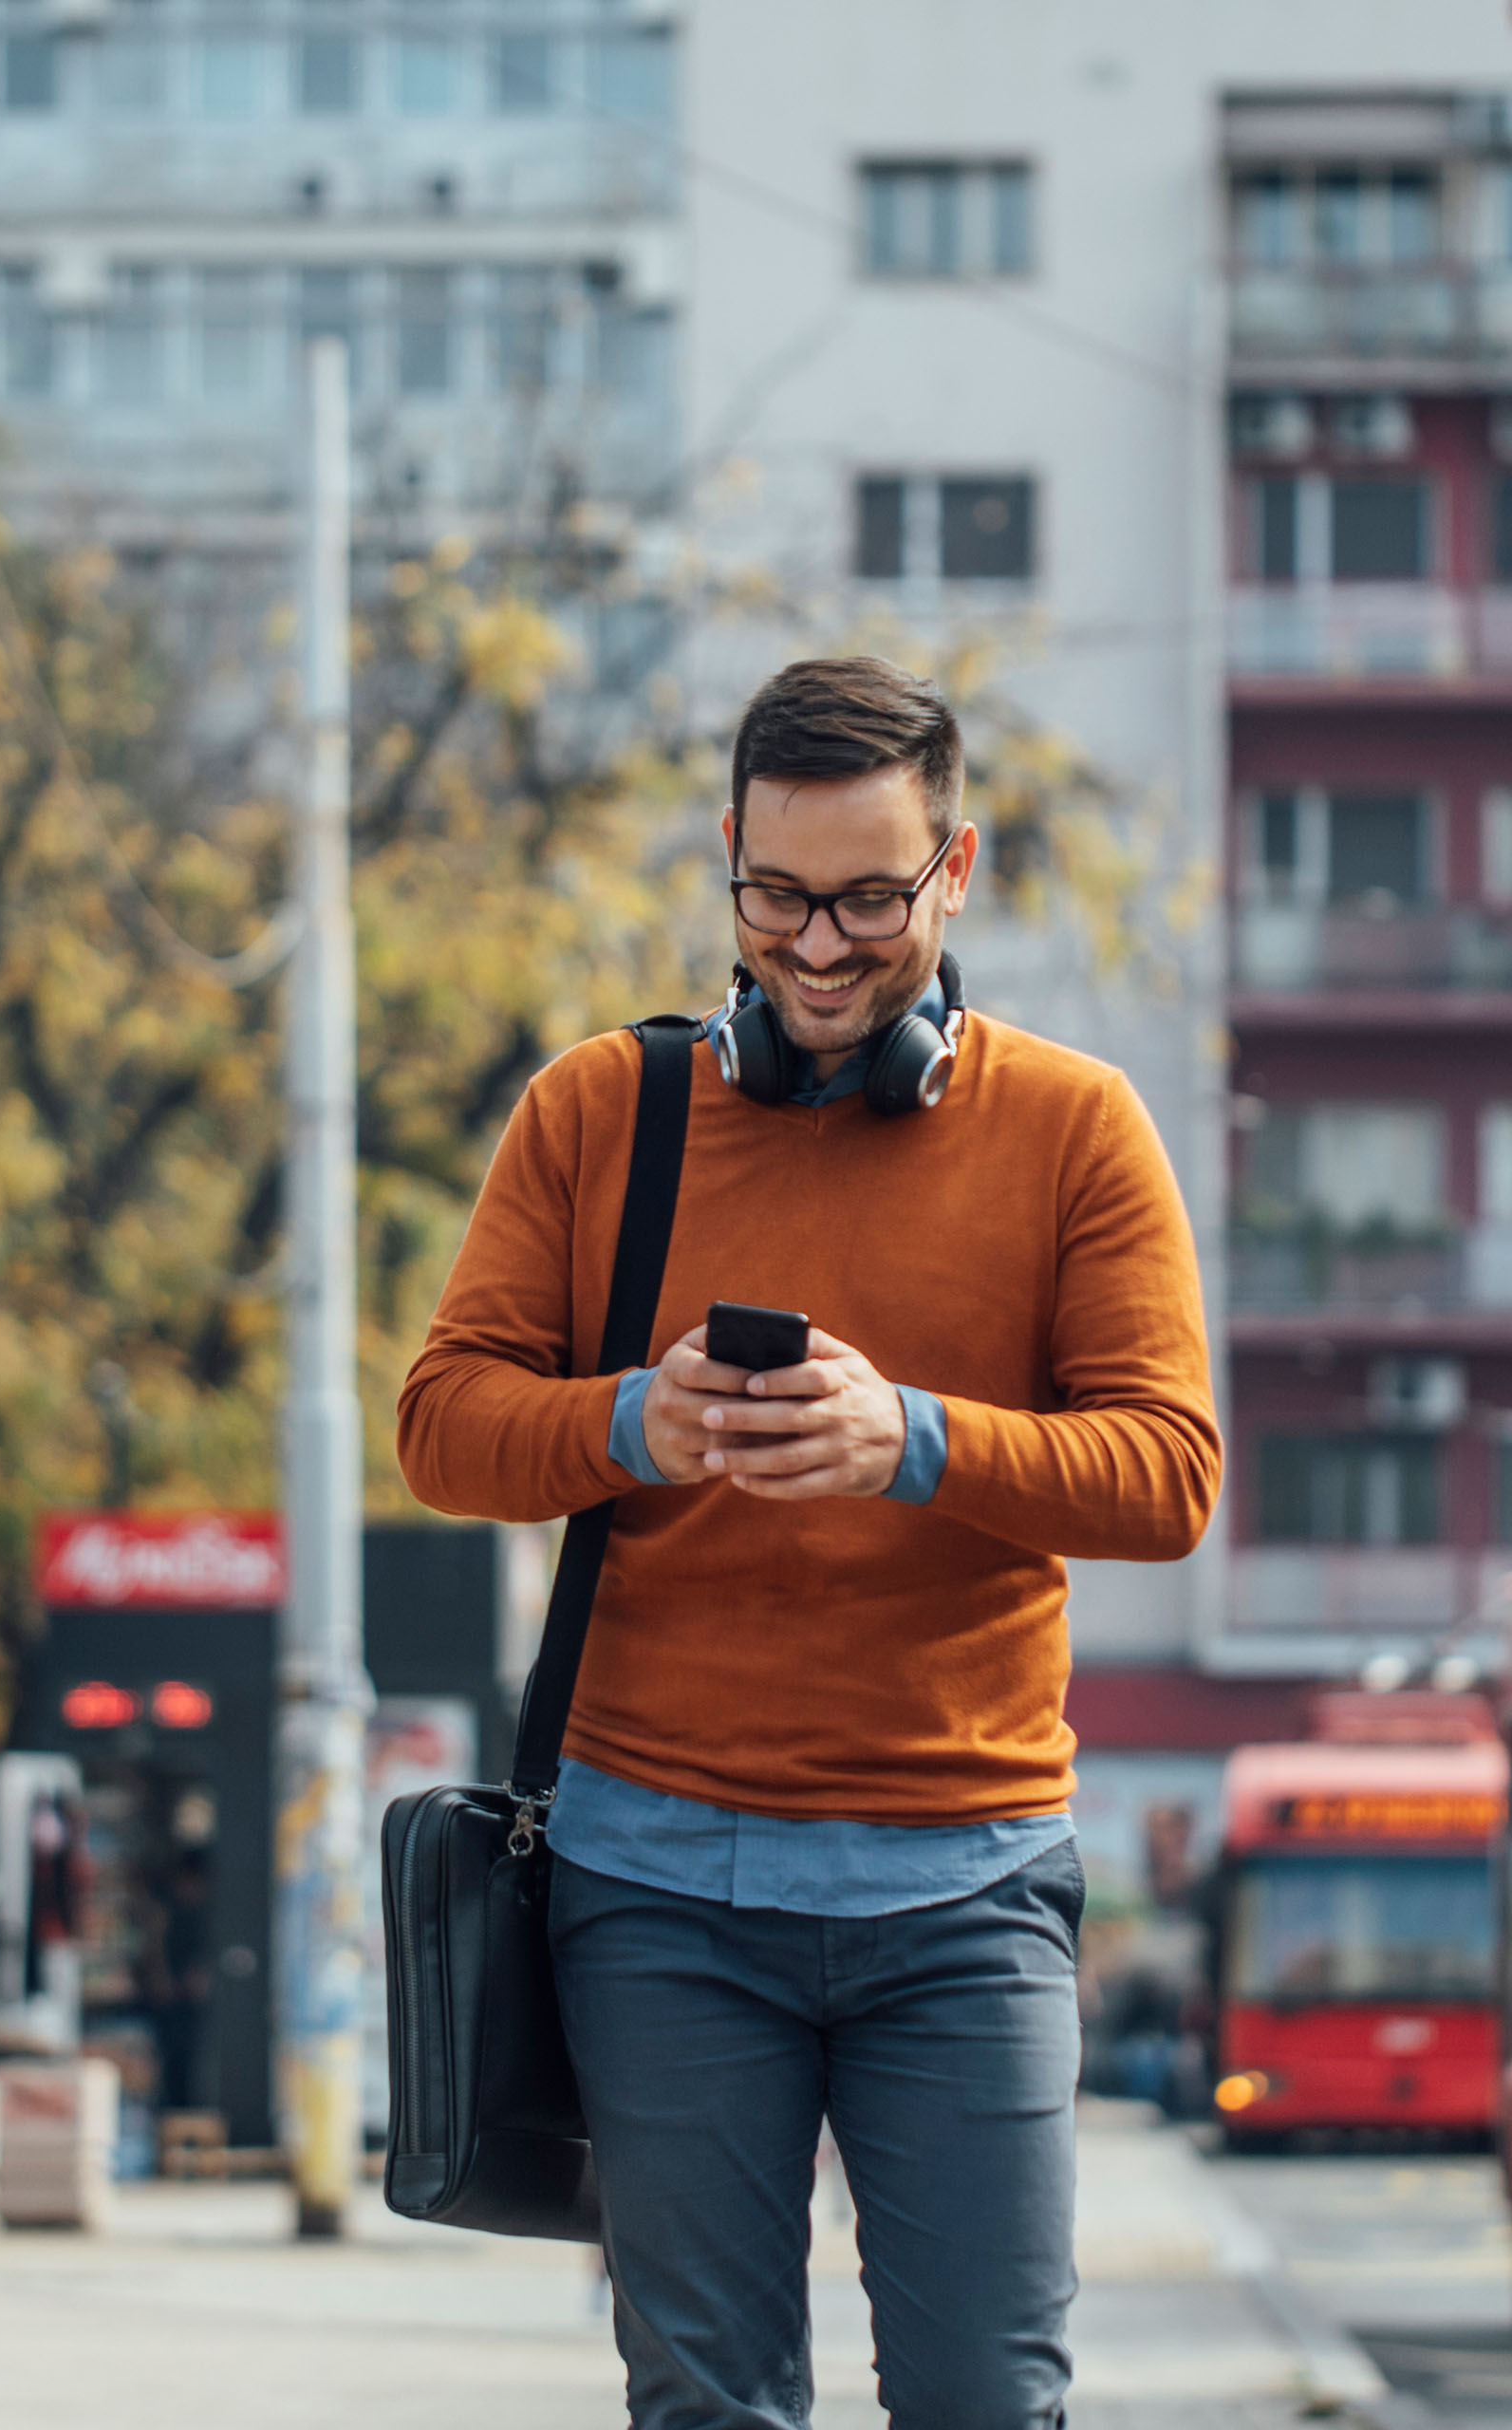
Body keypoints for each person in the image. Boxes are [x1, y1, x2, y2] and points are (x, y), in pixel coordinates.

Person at [396, 655, 1220, 2430]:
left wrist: (909, 1440)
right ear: (729, 860)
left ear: (960, 869)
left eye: (871, 898)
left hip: (968, 1888)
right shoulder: (597, 1114)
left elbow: (1167, 1474)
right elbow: (443, 1422)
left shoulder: (1077, 1130)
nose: (822, 947)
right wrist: (631, 1421)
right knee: (708, 2405)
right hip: (659, 1890)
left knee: (990, 2402)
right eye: (778, 896)